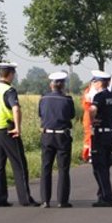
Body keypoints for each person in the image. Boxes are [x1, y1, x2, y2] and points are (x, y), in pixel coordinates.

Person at [0, 63, 39, 207]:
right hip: (8, 129)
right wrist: (18, 127)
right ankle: (25, 199)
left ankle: (0, 199)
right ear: (10, 74)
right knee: (19, 164)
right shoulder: (9, 90)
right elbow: (15, 108)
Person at [38, 71, 76, 208]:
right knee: (63, 169)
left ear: (51, 85)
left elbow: (40, 114)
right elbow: (71, 115)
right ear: (63, 85)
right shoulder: (67, 100)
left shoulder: (43, 99)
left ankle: (45, 200)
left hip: (47, 135)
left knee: (46, 168)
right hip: (62, 136)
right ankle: (62, 200)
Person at [89, 69, 112, 207]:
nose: (93, 84)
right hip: (111, 133)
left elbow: (93, 110)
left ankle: (106, 197)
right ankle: (103, 195)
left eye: (94, 81)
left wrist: (92, 120)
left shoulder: (99, 97)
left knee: (99, 167)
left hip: (100, 135)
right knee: (105, 166)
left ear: (100, 83)